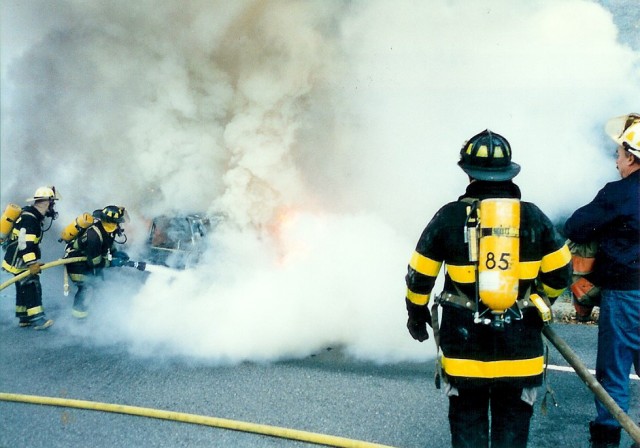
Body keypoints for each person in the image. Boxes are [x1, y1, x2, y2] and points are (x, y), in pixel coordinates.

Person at [404, 130, 571, 448]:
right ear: (509, 172)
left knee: (468, 425)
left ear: (468, 172)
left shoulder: (449, 217)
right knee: (512, 431)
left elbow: (418, 277)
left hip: (464, 352)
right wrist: (538, 303)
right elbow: (562, 272)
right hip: (520, 351)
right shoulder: (532, 217)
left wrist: (416, 315)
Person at [564, 113, 640, 448]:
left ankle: (607, 440)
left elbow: (576, 227)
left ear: (632, 157)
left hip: (626, 294)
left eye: (619, 155)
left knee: (614, 373)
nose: (616, 163)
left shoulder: (618, 193)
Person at [2, 186, 61, 329]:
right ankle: (38, 319)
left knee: (22, 285)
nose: (52, 207)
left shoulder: (30, 214)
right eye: (52, 203)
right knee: (31, 285)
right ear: (47, 202)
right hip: (20, 258)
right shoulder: (30, 219)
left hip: (14, 256)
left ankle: (24, 317)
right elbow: (25, 244)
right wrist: (32, 263)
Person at [63, 205, 130, 318]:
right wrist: (113, 263)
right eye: (118, 222)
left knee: (100, 284)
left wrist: (115, 253)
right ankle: (78, 317)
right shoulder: (94, 235)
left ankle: (96, 314)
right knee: (87, 287)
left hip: (87, 262)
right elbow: (95, 262)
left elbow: (108, 243)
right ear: (113, 223)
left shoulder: (107, 230)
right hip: (77, 263)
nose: (120, 225)